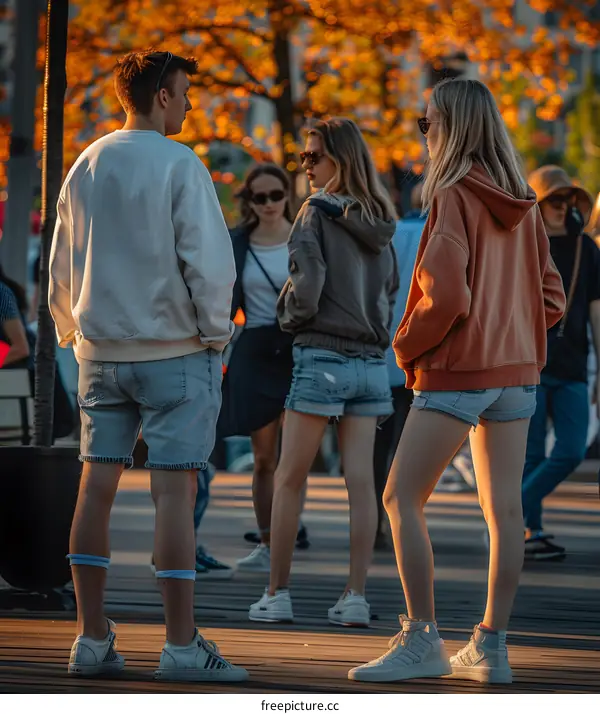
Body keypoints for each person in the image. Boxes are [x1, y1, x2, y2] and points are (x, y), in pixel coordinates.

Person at [349, 78, 565, 684]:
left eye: (426, 123)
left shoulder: (449, 194)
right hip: (517, 377)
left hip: (458, 373)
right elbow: (553, 296)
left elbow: (446, 298)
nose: (424, 134)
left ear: (449, 126)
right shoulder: (522, 199)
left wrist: (405, 346)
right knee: (504, 512)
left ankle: (422, 640)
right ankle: (490, 646)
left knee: (400, 499)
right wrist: (515, 335)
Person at [48, 49, 247, 683]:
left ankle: (90, 638)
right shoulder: (181, 163)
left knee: (94, 488)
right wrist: (217, 336)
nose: (190, 104)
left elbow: (61, 258)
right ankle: (182, 645)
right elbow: (209, 263)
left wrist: (68, 327)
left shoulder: (88, 160)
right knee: (173, 493)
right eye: (185, 92)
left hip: (99, 353)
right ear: (162, 95)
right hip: (174, 351)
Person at [249, 117, 398, 627]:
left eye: (314, 156)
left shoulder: (313, 214)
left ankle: (277, 594)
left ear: (341, 157)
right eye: (304, 157)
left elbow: (306, 287)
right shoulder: (381, 217)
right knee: (362, 483)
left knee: (289, 479)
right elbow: (390, 292)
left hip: (322, 357)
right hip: (372, 363)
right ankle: (355, 596)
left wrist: (286, 315)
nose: (305, 166)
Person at [219, 164, 308, 573]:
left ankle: (288, 534)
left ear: (288, 195)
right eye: (260, 197)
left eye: (276, 195)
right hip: (254, 349)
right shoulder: (236, 242)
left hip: (297, 348)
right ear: (249, 201)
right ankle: (269, 540)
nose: (270, 204)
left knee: (296, 456)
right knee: (263, 457)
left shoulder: (304, 237)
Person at [522, 166, 597, 561]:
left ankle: (510, 510)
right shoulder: (521, 245)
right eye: (553, 198)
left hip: (572, 367)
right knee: (531, 454)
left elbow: (596, 310)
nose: (562, 206)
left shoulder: (587, 247)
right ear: (536, 202)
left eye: (567, 199)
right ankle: (528, 530)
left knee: (570, 450)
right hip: (530, 364)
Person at [372, 184, 423, 550]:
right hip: (422, 355)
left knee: (379, 441)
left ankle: (374, 519)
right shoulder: (440, 233)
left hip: (385, 349)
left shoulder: (393, 233)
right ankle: (404, 519)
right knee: (412, 444)